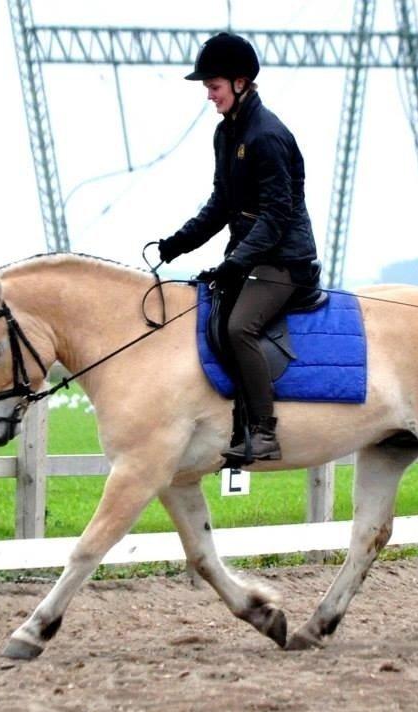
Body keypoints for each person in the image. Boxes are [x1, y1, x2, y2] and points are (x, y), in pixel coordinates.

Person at [154, 32, 319, 463]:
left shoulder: (267, 136)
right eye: (208, 88)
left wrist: (236, 262)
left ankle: (264, 431)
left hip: (285, 260)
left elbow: (276, 217)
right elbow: (221, 204)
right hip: (252, 257)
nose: (209, 95)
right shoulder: (226, 134)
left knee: (238, 326)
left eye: (214, 86)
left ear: (241, 83)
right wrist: (179, 242)